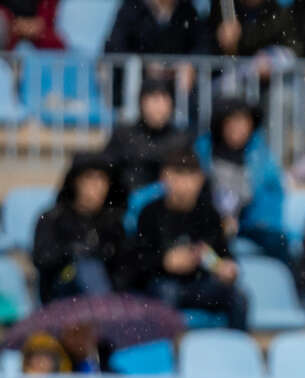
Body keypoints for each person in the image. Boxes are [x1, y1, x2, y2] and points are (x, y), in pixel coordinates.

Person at [126, 150, 246, 328]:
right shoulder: (150, 213)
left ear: (200, 179)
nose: (184, 183)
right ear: (164, 177)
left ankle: (237, 349)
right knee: (166, 293)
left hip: (200, 283)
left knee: (238, 298)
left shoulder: (209, 213)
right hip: (162, 283)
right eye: (177, 175)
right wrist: (165, 262)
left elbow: (223, 253)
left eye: (190, 176)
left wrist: (227, 269)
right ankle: (166, 351)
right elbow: (137, 263)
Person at [197, 99, 292, 265]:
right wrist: (217, 219)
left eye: (243, 123)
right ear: (220, 124)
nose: (237, 129)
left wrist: (242, 221)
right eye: (231, 122)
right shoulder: (203, 152)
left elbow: (271, 200)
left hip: (250, 224)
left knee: (279, 243)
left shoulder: (262, 157)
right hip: (207, 223)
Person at [33, 152, 127, 302]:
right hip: (63, 294)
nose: (97, 186)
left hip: (105, 292)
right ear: (75, 182)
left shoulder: (112, 221)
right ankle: (105, 312)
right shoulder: (53, 218)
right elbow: (42, 260)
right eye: (89, 178)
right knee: (87, 267)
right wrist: (72, 251)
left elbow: (123, 265)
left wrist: (102, 253)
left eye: (102, 179)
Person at [102, 76, 190, 198]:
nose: (159, 106)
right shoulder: (123, 135)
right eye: (154, 99)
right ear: (141, 102)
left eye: (164, 99)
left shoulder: (181, 139)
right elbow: (107, 171)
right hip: (127, 203)